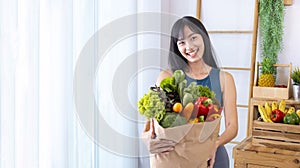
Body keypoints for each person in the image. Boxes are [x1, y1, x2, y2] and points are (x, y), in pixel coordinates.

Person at [142, 16, 238, 168]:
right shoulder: (167, 77)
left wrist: (214, 145)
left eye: (193, 38)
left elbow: (232, 126)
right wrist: (147, 140)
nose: (189, 46)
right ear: (176, 47)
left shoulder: (224, 79)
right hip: (177, 157)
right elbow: (152, 124)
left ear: (204, 38)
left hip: (212, 158)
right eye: (182, 42)